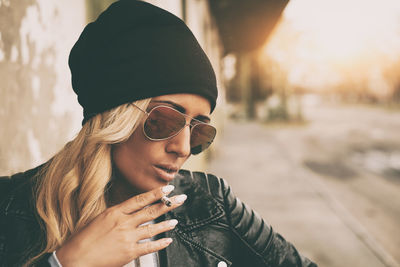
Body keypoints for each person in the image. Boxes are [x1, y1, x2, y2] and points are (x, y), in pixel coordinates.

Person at [0, 1, 317, 266]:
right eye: (163, 121)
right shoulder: (9, 207)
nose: (181, 148)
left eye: (199, 131)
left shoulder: (212, 202)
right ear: (115, 117)